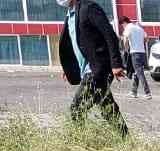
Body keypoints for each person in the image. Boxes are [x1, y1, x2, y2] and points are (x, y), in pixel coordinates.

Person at [58, 0, 127, 135]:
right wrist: (68, 68)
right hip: (88, 70)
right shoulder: (70, 15)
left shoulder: (89, 8)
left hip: (98, 68)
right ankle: (125, 139)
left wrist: (116, 63)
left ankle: (81, 141)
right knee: (108, 108)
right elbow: (75, 43)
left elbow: (109, 35)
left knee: (76, 108)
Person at [119, 16, 151, 100]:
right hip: (142, 53)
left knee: (140, 73)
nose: (123, 27)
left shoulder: (128, 28)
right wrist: (140, 43)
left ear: (124, 22)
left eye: (122, 25)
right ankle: (134, 91)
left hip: (134, 53)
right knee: (137, 72)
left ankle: (147, 92)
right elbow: (147, 39)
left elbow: (125, 39)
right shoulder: (139, 28)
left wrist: (126, 49)